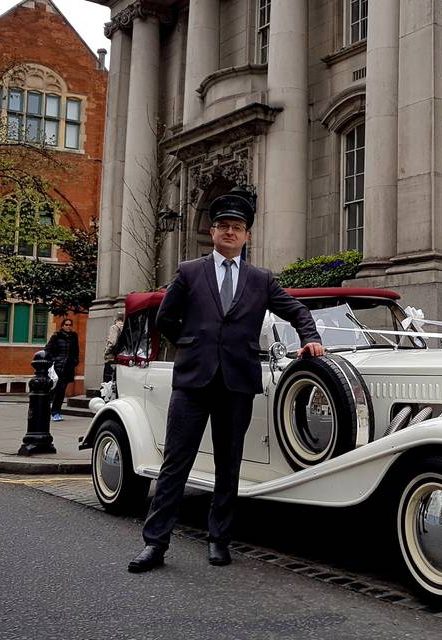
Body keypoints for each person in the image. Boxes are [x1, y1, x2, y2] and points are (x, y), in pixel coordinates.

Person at [128, 186, 324, 574]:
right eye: (222, 226)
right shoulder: (189, 272)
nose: (229, 232)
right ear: (213, 232)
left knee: (228, 465)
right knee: (175, 463)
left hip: (237, 383)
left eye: (237, 227)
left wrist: (311, 338)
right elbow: (166, 319)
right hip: (193, 382)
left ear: (247, 235)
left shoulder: (261, 279)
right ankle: (155, 544)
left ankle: (219, 539)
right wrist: (189, 343)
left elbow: (296, 310)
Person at [44, 317, 79, 422]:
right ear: (62, 326)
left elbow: (76, 350)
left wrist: (75, 361)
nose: (68, 327)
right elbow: (47, 349)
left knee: (61, 390)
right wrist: (53, 360)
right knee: (54, 390)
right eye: (66, 325)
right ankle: (49, 410)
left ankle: (56, 412)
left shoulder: (74, 336)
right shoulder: (56, 336)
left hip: (67, 367)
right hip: (57, 367)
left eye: (70, 325)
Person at [103, 312, 124, 383]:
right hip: (121, 357)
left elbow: (112, 342)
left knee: (108, 382)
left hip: (112, 358)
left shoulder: (114, 327)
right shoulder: (126, 327)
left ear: (115, 318)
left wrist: (106, 351)